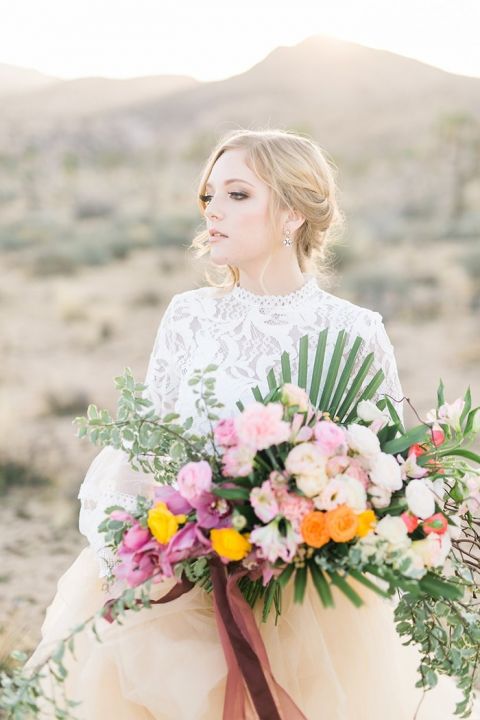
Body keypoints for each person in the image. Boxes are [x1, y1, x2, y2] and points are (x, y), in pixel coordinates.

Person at [25, 128, 473, 719]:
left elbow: (382, 469)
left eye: (237, 195)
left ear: (291, 213)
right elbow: (143, 451)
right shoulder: (187, 317)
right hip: (181, 583)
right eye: (209, 196)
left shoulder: (355, 330)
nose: (213, 210)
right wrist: (124, 558)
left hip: (311, 605)